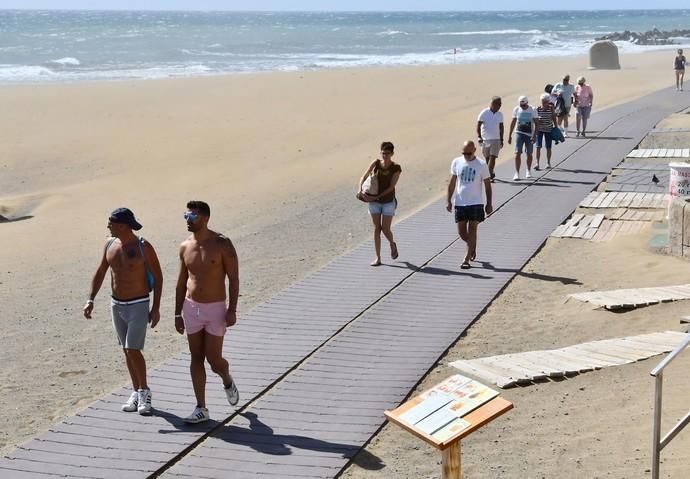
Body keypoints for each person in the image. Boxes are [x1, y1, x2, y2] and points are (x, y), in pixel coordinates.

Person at [83, 208, 163, 415]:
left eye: (110, 222)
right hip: (116, 304)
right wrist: (90, 299)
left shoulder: (143, 247)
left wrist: (155, 308)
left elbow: (159, 277)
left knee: (133, 348)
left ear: (122, 225)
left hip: (138, 302)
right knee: (126, 350)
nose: (107, 225)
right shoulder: (109, 244)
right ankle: (136, 391)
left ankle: (145, 391)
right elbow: (101, 271)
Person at [175, 200, 240, 424]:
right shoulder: (185, 246)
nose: (188, 220)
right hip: (191, 307)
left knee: (214, 360)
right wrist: (176, 313)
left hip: (215, 308)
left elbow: (233, 278)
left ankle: (226, 378)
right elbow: (182, 280)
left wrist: (232, 309)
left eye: (191, 217)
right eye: (186, 216)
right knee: (196, 357)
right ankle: (201, 408)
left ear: (205, 218)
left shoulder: (222, 244)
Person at [446, 140, 493, 270]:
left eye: (469, 153)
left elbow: (488, 186)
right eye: (464, 153)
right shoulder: (456, 162)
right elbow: (452, 183)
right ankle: (472, 245)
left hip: (476, 203)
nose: (466, 155)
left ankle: (466, 259)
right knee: (461, 232)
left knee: (473, 228)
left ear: (474, 151)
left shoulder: (481, 165)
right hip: (460, 202)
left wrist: (489, 203)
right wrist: (448, 200)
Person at [357, 141, 402, 266]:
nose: (384, 156)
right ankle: (378, 257)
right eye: (383, 153)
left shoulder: (396, 168)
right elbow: (364, 176)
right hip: (374, 202)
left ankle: (392, 243)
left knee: (385, 229)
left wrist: (377, 196)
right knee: (377, 228)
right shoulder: (376, 163)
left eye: (387, 153)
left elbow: (392, 186)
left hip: (388, 202)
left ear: (392, 154)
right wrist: (360, 190)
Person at [508, 95, 538, 180]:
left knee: (529, 153)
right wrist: (509, 135)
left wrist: (535, 136)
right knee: (517, 153)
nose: (522, 107)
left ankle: (528, 170)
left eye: (524, 105)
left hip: (529, 135)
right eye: (521, 105)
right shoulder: (516, 109)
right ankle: (517, 173)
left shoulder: (533, 109)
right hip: (519, 133)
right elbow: (513, 122)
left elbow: (537, 123)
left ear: (527, 103)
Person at [476, 96, 504, 181]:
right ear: (493, 104)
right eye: (498, 104)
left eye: (500, 104)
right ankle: (491, 172)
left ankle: (487, 176)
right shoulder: (484, 112)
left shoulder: (500, 114)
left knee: (493, 157)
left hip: (496, 139)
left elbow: (501, 127)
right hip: (485, 139)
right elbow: (478, 125)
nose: (499, 106)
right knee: (487, 158)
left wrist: (501, 139)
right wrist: (479, 137)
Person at [535, 92, 557, 170]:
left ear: (548, 101)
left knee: (548, 147)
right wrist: (537, 122)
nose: (544, 103)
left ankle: (548, 162)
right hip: (539, 130)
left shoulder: (551, 108)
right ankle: (537, 163)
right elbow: (535, 120)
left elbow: (554, 118)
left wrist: (556, 128)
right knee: (538, 146)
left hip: (548, 130)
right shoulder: (538, 108)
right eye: (542, 102)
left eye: (545, 102)